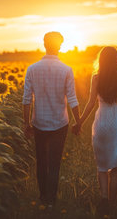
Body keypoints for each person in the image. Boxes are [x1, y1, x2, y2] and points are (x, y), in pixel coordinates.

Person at [22, 31, 80, 207]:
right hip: (59, 122)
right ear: (60, 46)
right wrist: (78, 121)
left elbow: (26, 100)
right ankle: (51, 200)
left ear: (44, 44)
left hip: (39, 121)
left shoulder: (32, 69)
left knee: (41, 160)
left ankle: (43, 196)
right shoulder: (66, 69)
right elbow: (72, 99)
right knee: (55, 161)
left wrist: (26, 124)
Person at [73, 46, 117, 210]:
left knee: (101, 166)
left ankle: (104, 200)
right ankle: (113, 203)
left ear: (101, 60)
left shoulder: (96, 78)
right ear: (116, 60)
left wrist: (80, 122)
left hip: (102, 122)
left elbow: (91, 103)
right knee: (114, 168)